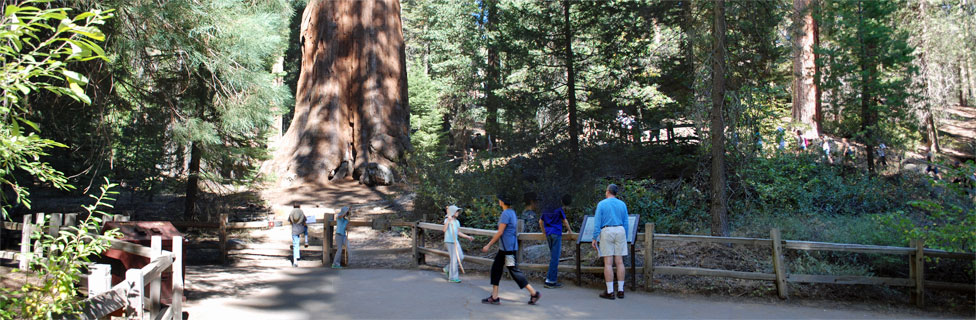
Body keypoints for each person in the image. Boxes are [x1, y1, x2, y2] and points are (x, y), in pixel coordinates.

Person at [481, 194, 541, 305]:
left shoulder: (506, 213)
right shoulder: (512, 212)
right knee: (496, 269)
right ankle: (494, 297)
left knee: (513, 271)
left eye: (500, 199)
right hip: (506, 249)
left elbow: (500, 232)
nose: (499, 201)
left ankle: (534, 293)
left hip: (507, 250)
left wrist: (488, 245)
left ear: (502, 202)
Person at [592, 184, 629, 300]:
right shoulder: (622, 204)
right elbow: (626, 222)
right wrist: (625, 236)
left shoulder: (602, 204)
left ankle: (610, 291)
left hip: (607, 230)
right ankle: (621, 290)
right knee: (619, 262)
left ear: (607, 191)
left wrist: (594, 238)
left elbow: (597, 223)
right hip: (620, 230)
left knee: (608, 263)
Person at [539, 194, 575, 289]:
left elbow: (540, 222)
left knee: (553, 257)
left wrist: (544, 232)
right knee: (555, 258)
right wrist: (570, 231)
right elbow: (565, 221)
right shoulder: (558, 209)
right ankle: (550, 281)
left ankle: (550, 279)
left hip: (549, 234)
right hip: (556, 234)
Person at [442, 205, 473, 283]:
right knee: (454, 259)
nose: (458, 212)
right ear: (452, 212)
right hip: (449, 241)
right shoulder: (447, 220)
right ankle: (452, 277)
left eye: (458, 211)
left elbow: (458, 232)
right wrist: (448, 221)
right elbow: (444, 230)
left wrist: (468, 237)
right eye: (456, 211)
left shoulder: (457, 222)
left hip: (455, 241)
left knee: (461, 256)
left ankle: (448, 268)